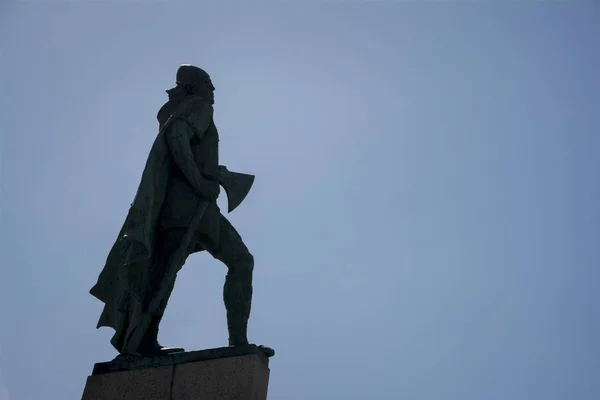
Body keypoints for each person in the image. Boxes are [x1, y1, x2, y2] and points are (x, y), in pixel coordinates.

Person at [90, 65, 254, 356]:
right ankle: (234, 344)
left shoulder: (180, 108)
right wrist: (199, 182)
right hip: (192, 206)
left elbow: (182, 145)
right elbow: (177, 137)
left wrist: (213, 173)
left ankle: (142, 340)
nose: (213, 91)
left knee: (165, 271)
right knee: (231, 263)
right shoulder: (198, 106)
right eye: (208, 84)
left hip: (179, 207)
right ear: (194, 88)